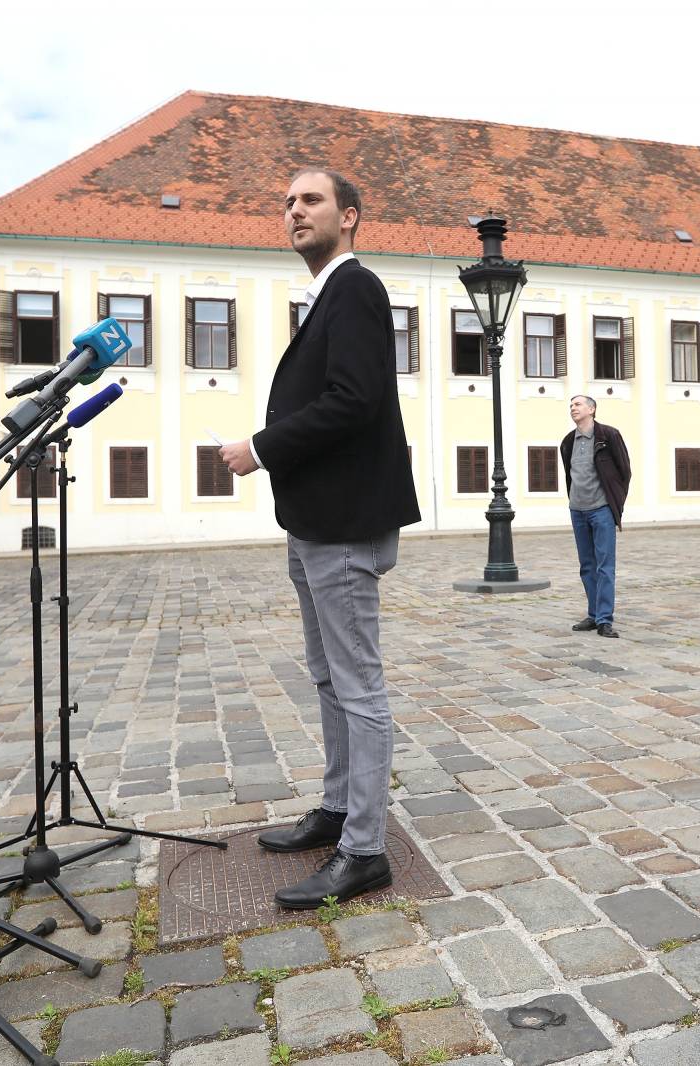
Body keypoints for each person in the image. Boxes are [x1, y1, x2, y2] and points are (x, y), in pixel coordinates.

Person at [218, 169, 420, 908]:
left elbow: (354, 400)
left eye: (311, 201)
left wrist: (263, 447)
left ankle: (365, 849)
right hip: (313, 523)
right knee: (330, 676)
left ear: (351, 216)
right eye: (288, 203)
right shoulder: (327, 294)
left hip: (344, 525)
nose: (295, 211)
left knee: (358, 684)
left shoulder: (357, 287)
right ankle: (338, 808)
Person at [559, 395, 632, 638]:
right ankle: (593, 614)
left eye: (578, 404)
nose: (573, 409)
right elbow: (570, 475)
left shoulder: (609, 436)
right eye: (571, 406)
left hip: (601, 510)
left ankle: (604, 620)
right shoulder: (568, 442)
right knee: (587, 566)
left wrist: (615, 504)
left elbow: (625, 472)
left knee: (605, 566)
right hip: (577, 510)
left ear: (591, 409)